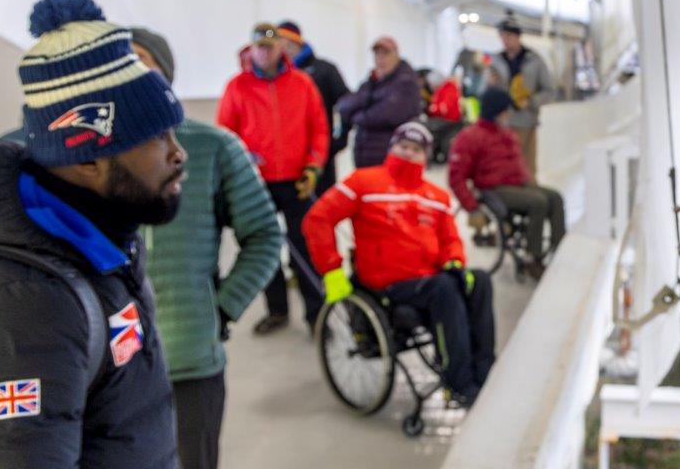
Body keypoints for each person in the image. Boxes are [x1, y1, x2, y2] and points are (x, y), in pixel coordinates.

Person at [0, 0, 194, 469]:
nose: (178, 152)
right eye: (155, 136)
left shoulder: (106, 239)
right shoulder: (28, 302)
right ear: (88, 152)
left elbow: (133, 426)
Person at [132, 27, 283, 469]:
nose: (128, 76)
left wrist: (220, 307)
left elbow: (264, 234)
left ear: (166, 75)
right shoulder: (85, 160)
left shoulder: (213, 147)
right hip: (106, 372)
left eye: (140, 62)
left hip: (188, 363)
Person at [303, 122, 495, 406]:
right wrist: (332, 271)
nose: (408, 153)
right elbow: (318, 219)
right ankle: (459, 383)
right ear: (391, 148)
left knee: (479, 279)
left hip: (429, 279)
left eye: (416, 149)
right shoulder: (363, 183)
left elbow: (450, 238)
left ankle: (484, 370)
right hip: (387, 284)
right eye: (403, 146)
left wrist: (454, 260)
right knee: (444, 288)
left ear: (425, 156)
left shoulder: (436, 196)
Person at [218, 22, 329, 335]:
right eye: (260, 47)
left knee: (303, 248)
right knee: (262, 249)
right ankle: (277, 310)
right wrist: (238, 171)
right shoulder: (237, 87)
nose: (265, 52)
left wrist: (313, 166)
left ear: (281, 48)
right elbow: (226, 136)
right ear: (251, 49)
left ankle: (315, 315)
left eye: (270, 46)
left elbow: (319, 129)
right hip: (257, 183)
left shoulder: (302, 84)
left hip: (297, 181)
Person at [450, 90, 565, 277]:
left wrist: (528, 181)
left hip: (518, 184)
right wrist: (471, 206)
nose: (509, 114)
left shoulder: (507, 133)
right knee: (538, 202)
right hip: (494, 188)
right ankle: (532, 257)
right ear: (495, 112)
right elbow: (456, 177)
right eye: (505, 111)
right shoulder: (470, 137)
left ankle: (559, 247)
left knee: (555, 197)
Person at [276, 20, 350, 194]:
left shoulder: (325, 70)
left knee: (322, 205)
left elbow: (347, 105)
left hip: (320, 152)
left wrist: (340, 139)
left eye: (283, 43)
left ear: (293, 42)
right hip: (290, 157)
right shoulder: (277, 76)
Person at [338, 35, 423, 168]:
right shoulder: (371, 81)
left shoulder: (406, 82)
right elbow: (344, 105)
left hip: (389, 157)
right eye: (377, 54)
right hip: (364, 155)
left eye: (385, 53)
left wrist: (357, 115)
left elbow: (386, 115)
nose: (380, 58)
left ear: (396, 55)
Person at [488, 19, 556, 175]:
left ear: (518, 37)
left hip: (525, 122)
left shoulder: (534, 61)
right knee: (502, 165)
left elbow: (549, 91)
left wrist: (531, 102)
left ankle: (529, 197)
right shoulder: (496, 61)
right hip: (501, 122)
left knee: (526, 168)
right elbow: (487, 91)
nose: (505, 40)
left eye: (509, 36)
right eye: (502, 36)